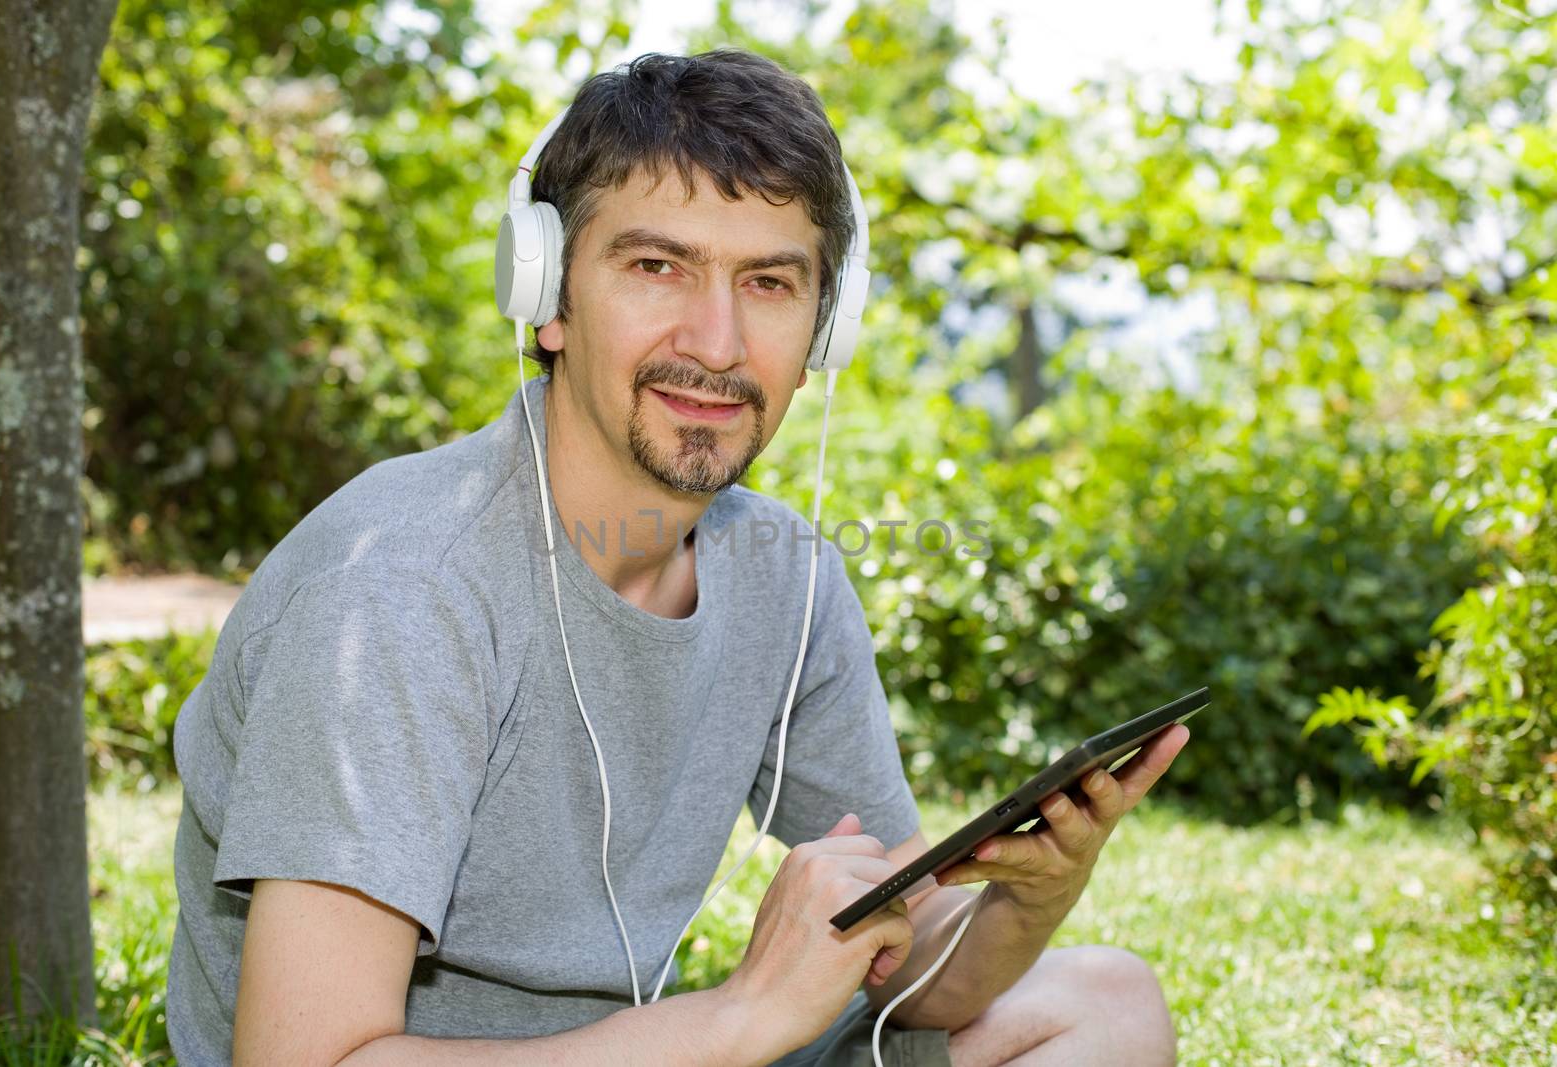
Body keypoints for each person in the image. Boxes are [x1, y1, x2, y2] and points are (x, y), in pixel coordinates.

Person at [164, 48, 1189, 1067]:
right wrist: (737, 1017)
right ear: (547, 292)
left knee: (1103, 1001)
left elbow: (911, 968)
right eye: (658, 266)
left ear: (826, 326)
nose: (717, 339)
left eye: (770, 282)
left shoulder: (786, 576)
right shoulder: (401, 589)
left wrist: (1029, 897)